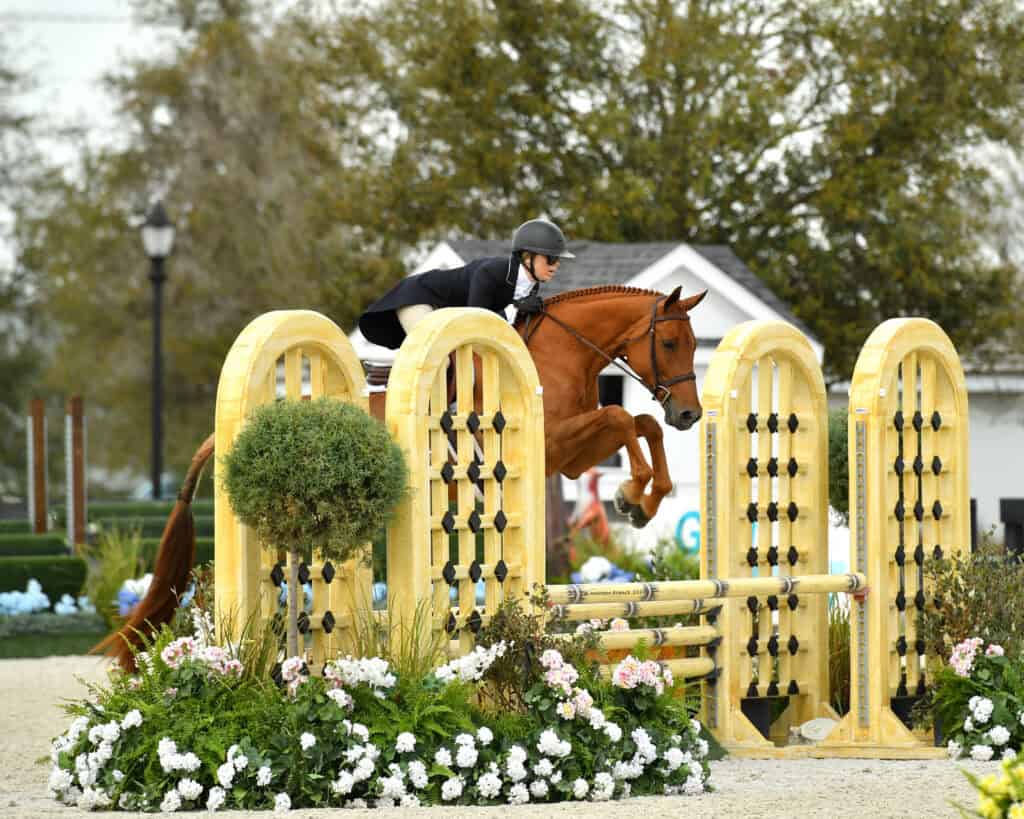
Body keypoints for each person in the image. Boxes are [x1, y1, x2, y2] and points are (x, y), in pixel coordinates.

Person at [357, 218, 574, 350]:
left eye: (558, 260)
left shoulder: (531, 285)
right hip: (420, 299)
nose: (556, 266)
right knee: (438, 355)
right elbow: (474, 322)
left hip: (447, 315)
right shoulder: (491, 272)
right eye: (551, 259)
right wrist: (515, 309)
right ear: (527, 257)